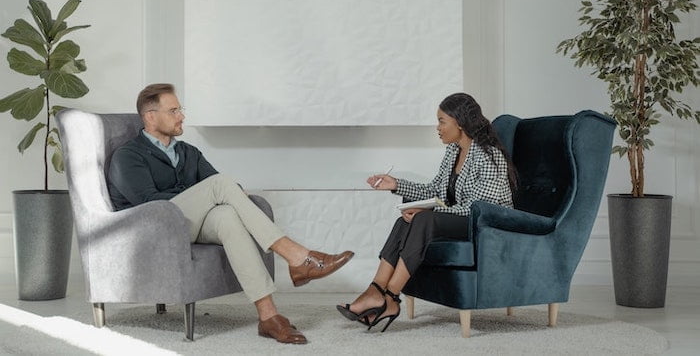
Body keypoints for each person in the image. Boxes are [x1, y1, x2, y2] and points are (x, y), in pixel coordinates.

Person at [108, 83, 354, 345]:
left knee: (227, 216)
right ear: (150, 116)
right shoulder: (128, 156)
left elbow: (220, 187)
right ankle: (297, 257)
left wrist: (228, 196)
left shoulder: (187, 152)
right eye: (173, 110)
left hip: (189, 222)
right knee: (222, 186)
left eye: (180, 109)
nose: (182, 116)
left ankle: (268, 316)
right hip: (154, 229)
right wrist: (213, 193)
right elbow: (149, 204)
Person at [336, 92, 516, 332]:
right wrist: (396, 184)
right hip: (463, 219)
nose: (438, 127)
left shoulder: (489, 155)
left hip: (487, 226)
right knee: (405, 221)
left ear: (460, 123)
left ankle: (390, 298)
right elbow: (434, 189)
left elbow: (480, 208)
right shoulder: (454, 151)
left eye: (442, 121)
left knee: (422, 218)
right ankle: (376, 290)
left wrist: (429, 210)